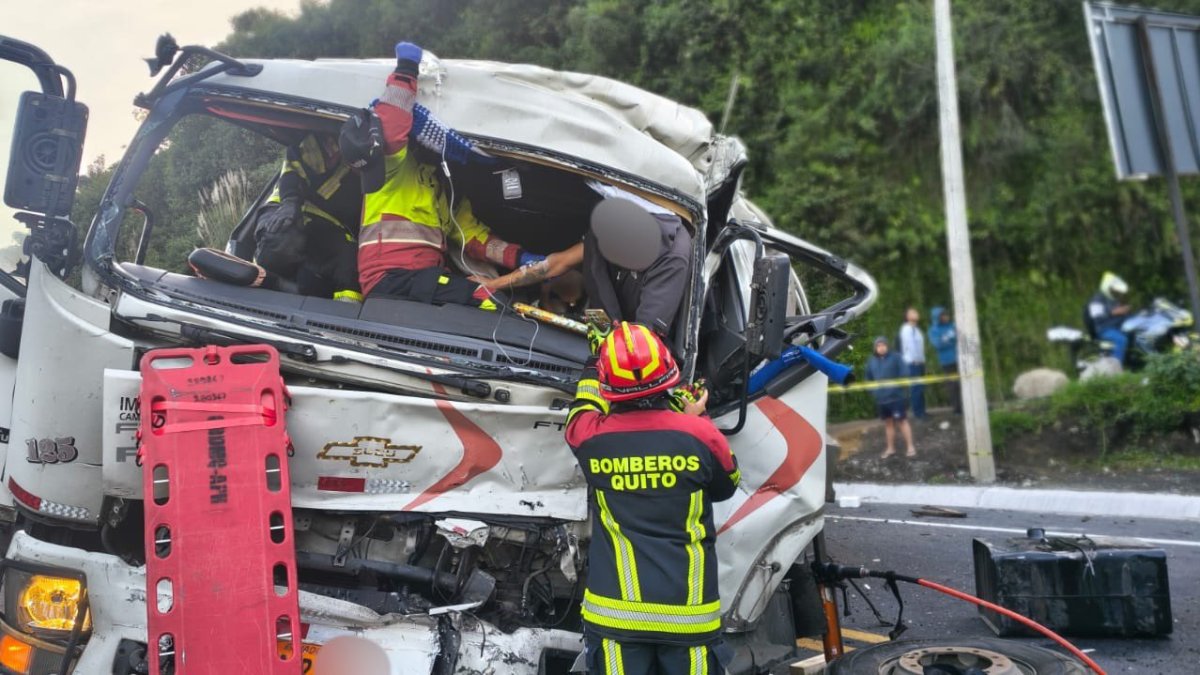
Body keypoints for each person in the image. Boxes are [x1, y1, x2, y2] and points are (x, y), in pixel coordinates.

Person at [565, 321, 737, 675]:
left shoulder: (591, 438)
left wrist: (592, 362)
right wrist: (696, 417)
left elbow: (581, 410)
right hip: (688, 618)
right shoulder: (701, 434)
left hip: (615, 617)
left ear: (607, 385)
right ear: (669, 374)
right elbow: (726, 487)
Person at [338, 41, 544, 310]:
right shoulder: (393, 169)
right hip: (390, 278)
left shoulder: (444, 192)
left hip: (421, 279)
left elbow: (474, 238)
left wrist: (520, 258)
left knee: (485, 296)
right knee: (488, 301)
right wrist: (407, 70)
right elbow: (389, 128)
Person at [476, 189, 692, 337]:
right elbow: (555, 264)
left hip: (629, 351)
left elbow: (644, 340)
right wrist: (494, 284)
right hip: (601, 326)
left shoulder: (671, 261)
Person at [253, 132, 362, 300]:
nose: (334, 153)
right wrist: (290, 201)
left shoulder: (371, 172)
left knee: (349, 260)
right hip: (284, 208)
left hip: (326, 227)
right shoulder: (313, 142)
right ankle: (258, 282)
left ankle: (344, 313)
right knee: (282, 239)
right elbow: (292, 170)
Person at [865, 336, 916, 459]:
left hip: (896, 397)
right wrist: (874, 391)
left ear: (887, 346)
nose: (881, 348)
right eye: (878, 346)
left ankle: (910, 447)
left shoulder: (896, 357)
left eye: (883, 345)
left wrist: (897, 386)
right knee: (888, 424)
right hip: (882, 400)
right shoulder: (871, 361)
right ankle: (890, 448)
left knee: (902, 422)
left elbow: (905, 373)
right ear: (875, 348)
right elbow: (868, 379)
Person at [1085, 272, 1132, 363]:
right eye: (1112, 288)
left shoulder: (1112, 299)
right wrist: (1114, 312)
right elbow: (1097, 317)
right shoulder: (1097, 299)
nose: (1114, 290)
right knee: (1121, 340)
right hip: (1104, 329)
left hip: (1117, 327)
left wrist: (1125, 310)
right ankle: (1116, 368)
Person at [927, 306, 961, 414]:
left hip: (960, 358)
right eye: (943, 315)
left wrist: (948, 339)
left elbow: (960, 338)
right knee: (953, 385)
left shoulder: (953, 325)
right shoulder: (933, 330)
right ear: (938, 317)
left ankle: (969, 405)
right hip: (947, 361)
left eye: (946, 314)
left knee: (965, 382)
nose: (946, 317)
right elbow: (938, 344)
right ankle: (957, 408)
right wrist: (948, 337)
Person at [897, 307, 927, 419]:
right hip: (912, 363)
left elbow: (920, 347)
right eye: (913, 312)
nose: (916, 313)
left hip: (919, 362)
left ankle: (922, 411)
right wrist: (916, 360)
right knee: (916, 388)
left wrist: (922, 361)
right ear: (907, 316)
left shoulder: (916, 329)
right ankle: (918, 413)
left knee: (921, 388)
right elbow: (910, 346)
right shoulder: (906, 329)